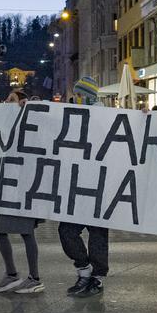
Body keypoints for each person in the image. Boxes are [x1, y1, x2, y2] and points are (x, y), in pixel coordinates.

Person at [59, 75, 109, 299]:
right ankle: (85, 270)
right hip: (77, 184)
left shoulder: (107, 117)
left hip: (99, 185)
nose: (75, 98)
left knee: (97, 234)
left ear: (88, 96)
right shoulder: (73, 116)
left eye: (80, 94)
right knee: (66, 230)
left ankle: (96, 278)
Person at [0, 90, 44, 294]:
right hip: (8, 185)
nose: (6, 102)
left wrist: (29, 110)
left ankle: (34, 278)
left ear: (22, 102)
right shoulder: (6, 123)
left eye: (11, 100)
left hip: (24, 186)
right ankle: (12, 275)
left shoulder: (30, 122)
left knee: (26, 232)